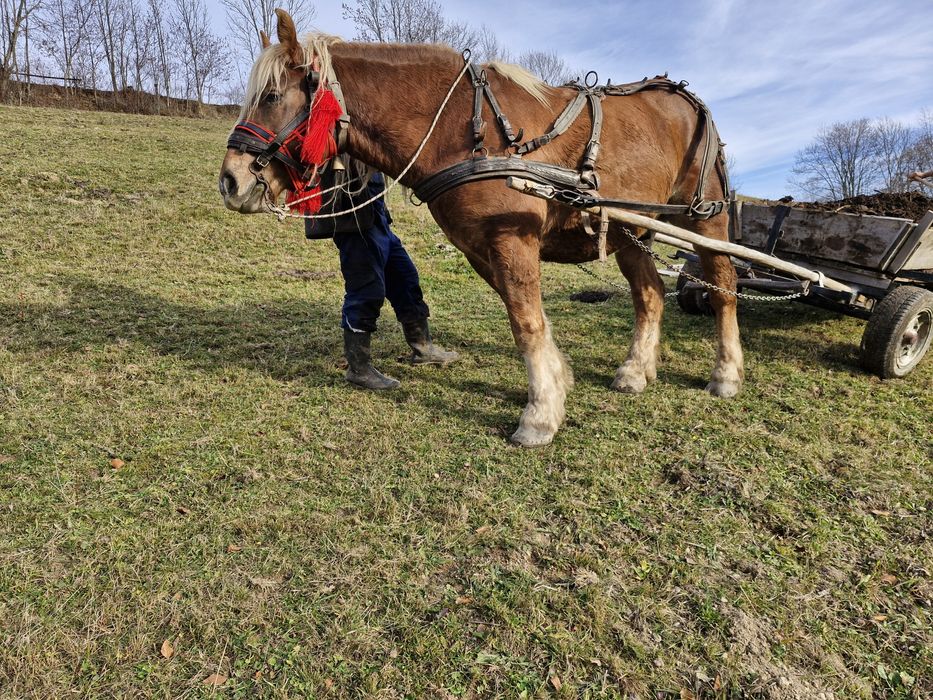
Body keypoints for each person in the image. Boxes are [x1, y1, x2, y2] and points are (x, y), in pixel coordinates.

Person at [306, 157, 459, 390]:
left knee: (405, 279)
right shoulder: (339, 144)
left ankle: (423, 348)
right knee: (366, 291)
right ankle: (358, 369)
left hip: (377, 220)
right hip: (354, 223)